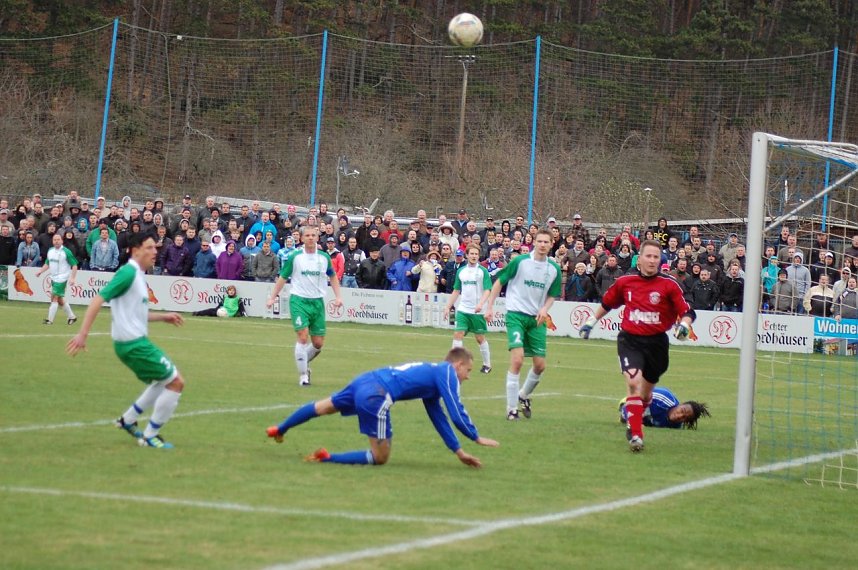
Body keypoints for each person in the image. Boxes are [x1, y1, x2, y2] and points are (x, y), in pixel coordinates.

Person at [265, 348, 499, 467]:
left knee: (323, 406)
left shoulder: (433, 376)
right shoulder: (447, 372)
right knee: (380, 457)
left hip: (365, 380)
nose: (467, 377)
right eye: (467, 371)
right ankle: (326, 458)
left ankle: (281, 428)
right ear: (458, 365)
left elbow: (437, 415)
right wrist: (475, 437)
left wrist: (458, 452)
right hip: (376, 395)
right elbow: (455, 411)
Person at [66, 233, 186, 449]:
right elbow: (98, 300)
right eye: (149, 247)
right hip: (133, 344)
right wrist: (82, 334)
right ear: (135, 250)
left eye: (155, 248)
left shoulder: (138, 275)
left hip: (133, 343)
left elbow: (136, 313)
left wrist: (162, 317)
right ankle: (150, 436)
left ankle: (128, 419)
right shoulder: (128, 272)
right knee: (176, 382)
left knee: (162, 381)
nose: (155, 252)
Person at [579, 240, 696, 452]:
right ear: (639, 259)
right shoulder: (626, 282)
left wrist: (685, 326)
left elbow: (687, 311)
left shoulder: (669, 285)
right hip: (630, 341)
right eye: (648, 256)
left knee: (644, 395)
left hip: (657, 344)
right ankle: (636, 435)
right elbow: (607, 303)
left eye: (656, 257)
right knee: (633, 384)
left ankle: (642, 408)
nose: (652, 260)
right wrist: (590, 322)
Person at [484, 230, 562, 421]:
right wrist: (490, 306)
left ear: (552, 244)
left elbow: (553, 294)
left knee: (540, 365)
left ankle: (523, 395)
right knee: (517, 360)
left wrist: (545, 308)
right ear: (534, 242)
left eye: (546, 242)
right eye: (539, 241)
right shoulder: (520, 262)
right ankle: (511, 410)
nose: (542, 244)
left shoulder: (554, 268)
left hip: (537, 319)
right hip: (516, 315)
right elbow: (499, 282)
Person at [266, 226, 343, 386]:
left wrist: (338, 297)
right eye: (307, 235)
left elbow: (333, 276)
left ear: (317, 238)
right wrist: (273, 297)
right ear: (301, 238)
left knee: (318, 344)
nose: (310, 238)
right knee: (302, 336)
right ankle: (303, 376)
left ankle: (303, 362)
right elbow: (283, 277)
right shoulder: (295, 257)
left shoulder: (323, 258)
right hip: (299, 300)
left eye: (313, 235)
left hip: (317, 302)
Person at [442, 245, 493, 374]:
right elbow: (456, 290)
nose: (474, 256)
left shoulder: (483, 271)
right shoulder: (461, 271)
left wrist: (481, 304)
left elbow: (488, 290)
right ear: (467, 255)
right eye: (472, 254)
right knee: (458, 334)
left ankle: (487, 364)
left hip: (477, 312)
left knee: (479, 338)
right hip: (463, 310)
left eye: (476, 254)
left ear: (479, 255)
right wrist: (447, 307)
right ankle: (454, 364)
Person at [35, 233, 79, 325]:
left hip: (62, 278)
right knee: (59, 299)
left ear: (62, 241)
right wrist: (40, 271)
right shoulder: (50, 251)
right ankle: (72, 317)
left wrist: (72, 278)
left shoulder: (66, 252)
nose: (56, 241)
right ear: (52, 241)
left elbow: (74, 265)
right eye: (55, 240)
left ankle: (49, 320)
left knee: (54, 297)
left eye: (58, 239)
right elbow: (47, 263)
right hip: (54, 277)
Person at [618, 387, 710, 430]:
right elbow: (636, 398)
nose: (680, 416)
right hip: (632, 401)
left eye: (684, 418)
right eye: (682, 411)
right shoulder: (663, 398)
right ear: (680, 404)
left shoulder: (676, 426)